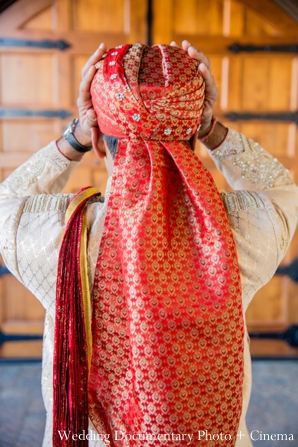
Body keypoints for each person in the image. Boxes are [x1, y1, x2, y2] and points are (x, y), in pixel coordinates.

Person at [0, 41, 297, 447]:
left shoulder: (62, 231)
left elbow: (5, 203)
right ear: (192, 137)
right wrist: (213, 128)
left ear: (101, 142)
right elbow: (282, 191)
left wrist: (75, 136)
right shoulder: (238, 228)